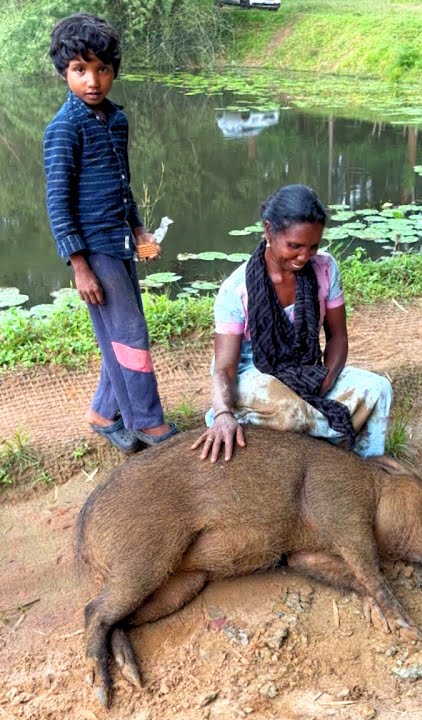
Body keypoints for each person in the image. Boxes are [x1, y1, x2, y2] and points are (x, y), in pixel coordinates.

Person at [43, 12, 177, 454]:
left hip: (119, 242)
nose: (93, 80)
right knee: (130, 334)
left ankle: (104, 413)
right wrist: (79, 266)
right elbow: (58, 204)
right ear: (65, 71)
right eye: (81, 70)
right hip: (93, 249)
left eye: (102, 69)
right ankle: (148, 423)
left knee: (118, 332)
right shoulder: (63, 129)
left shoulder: (115, 121)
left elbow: (124, 184)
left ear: (114, 70)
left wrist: (139, 229)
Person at [191, 184, 393, 462]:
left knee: (378, 390)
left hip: (305, 368)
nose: (303, 257)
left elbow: (337, 337)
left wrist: (326, 380)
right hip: (252, 371)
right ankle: (326, 446)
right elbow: (225, 368)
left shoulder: (325, 269)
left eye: (313, 246)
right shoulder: (236, 290)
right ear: (268, 231)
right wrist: (224, 414)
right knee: (290, 410)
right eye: (294, 246)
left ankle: (362, 466)